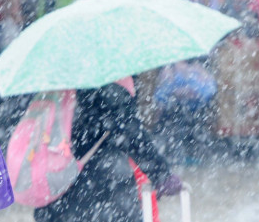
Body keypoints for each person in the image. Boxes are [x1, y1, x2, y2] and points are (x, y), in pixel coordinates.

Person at [33, 81, 182, 222]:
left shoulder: (49, 82)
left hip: (57, 195)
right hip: (102, 189)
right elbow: (128, 129)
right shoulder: (106, 80)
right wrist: (161, 173)